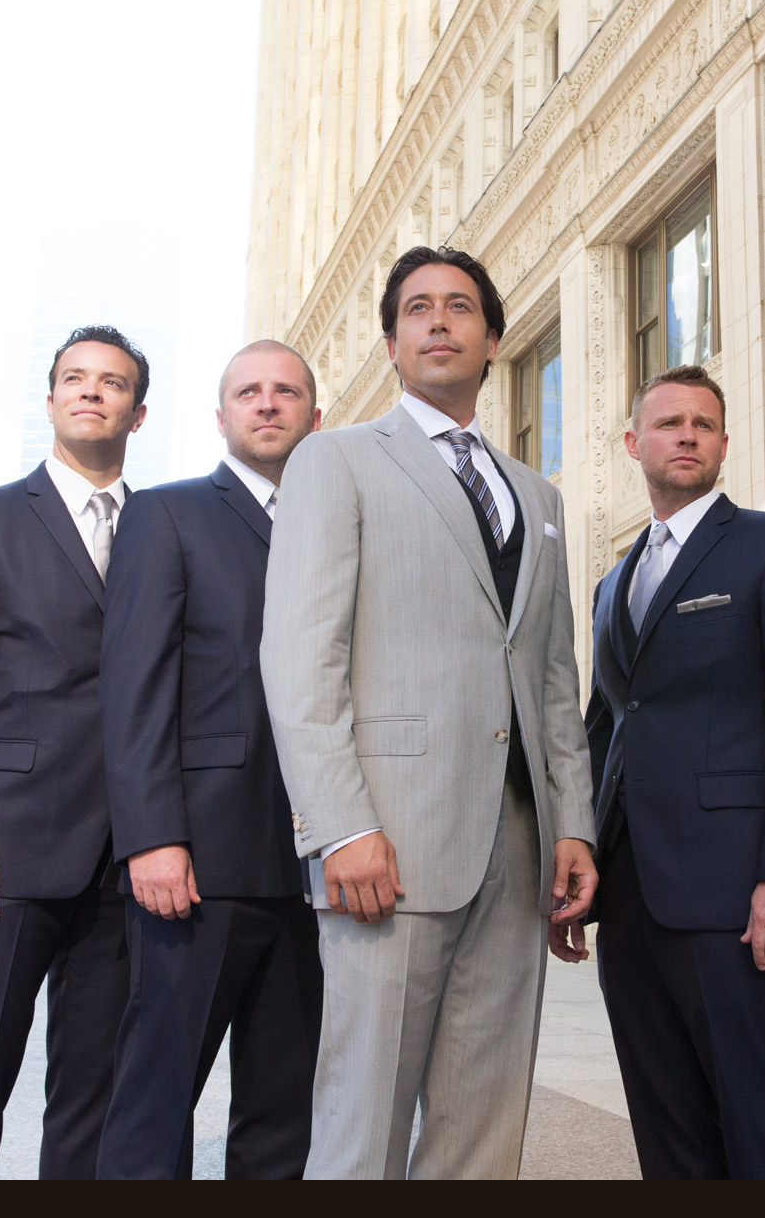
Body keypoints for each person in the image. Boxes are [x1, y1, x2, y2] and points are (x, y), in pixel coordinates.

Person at [260, 245, 598, 1179]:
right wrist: (340, 828)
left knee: (484, 1123)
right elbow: (300, 660)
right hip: (388, 848)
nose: (439, 321)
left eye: (459, 307)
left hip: (519, 847)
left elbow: (555, 681)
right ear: (393, 340)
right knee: (362, 1117)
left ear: (494, 339)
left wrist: (575, 825)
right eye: (417, 308)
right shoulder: (333, 461)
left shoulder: (539, 495)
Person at [581, 365, 765, 1179]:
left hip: (737, 894)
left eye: (703, 423)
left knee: (764, 1121)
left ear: (725, 443)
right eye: (668, 423)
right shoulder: (612, 582)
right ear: (634, 444)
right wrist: (578, 859)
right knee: (668, 1126)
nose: (686, 434)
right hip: (630, 899)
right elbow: (605, 730)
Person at [0, 325, 149, 1179]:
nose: (91, 391)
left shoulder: (162, 530)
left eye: (111, 382)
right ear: (50, 401)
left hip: (126, 869)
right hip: (3, 862)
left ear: (138, 411)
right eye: (74, 379)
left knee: (94, 1096)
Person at [95, 340, 325, 1179]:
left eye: (287, 392)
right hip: (200, 864)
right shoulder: (168, 514)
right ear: (222, 415)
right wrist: (152, 836)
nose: (268, 404)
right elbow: (133, 686)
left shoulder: (343, 522)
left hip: (318, 867)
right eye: (249, 392)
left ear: (315, 416)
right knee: (157, 1097)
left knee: (283, 1107)